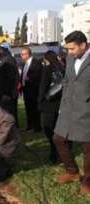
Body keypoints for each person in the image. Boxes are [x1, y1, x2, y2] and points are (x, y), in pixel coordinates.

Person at [53, 30, 90, 196]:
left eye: (72, 48)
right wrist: (63, 104)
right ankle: (72, 171)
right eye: (68, 49)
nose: (69, 52)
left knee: (88, 149)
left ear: (83, 45)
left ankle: (88, 183)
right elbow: (67, 82)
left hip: (86, 110)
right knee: (58, 138)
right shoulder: (70, 58)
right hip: (69, 108)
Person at [38, 50, 64, 165]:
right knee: (59, 131)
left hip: (49, 104)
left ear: (46, 58)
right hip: (60, 103)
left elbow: (43, 87)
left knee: (49, 131)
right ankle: (61, 154)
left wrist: (40, 101)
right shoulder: (62, 69)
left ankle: (54, 155)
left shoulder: (47, 69)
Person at [19, 47, 43, 132]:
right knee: (28, 109)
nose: (21, 56)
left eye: (23, 54)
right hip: (26, 90)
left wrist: (31, 78)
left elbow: (40, 75)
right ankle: (29, 125)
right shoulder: (24, 64)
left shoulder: (36, 63)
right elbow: (22, 75)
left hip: (34, 91)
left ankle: (36, 127)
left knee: (35, 109)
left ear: (28, 54)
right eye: (21, 54)